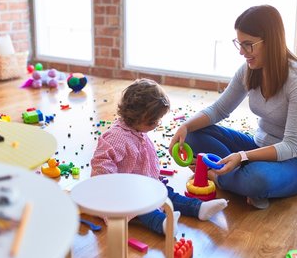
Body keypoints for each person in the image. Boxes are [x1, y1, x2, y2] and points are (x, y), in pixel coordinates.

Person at [169, 5, 297, 209]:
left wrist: (242, 157)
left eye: (248, 45)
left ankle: (218, 175)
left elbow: (292, 146)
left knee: (256, 180)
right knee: (194, 135)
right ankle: (237, 180)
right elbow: (218, 110)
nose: (241, 52)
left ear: (271, 41)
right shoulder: (249, 69)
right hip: (257, 147)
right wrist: (185, 127)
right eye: (239, 44)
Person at [91, 78, 228, 235]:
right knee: (144, 208)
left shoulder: (137, 130)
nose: (157, 124)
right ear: (136, 117)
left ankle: (199, 208)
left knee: (167, 194)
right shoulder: (116, 137)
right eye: (153, 121)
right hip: (124, 195)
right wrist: (114, 187)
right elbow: (101, 162)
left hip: (144, 186)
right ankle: (163, 223)